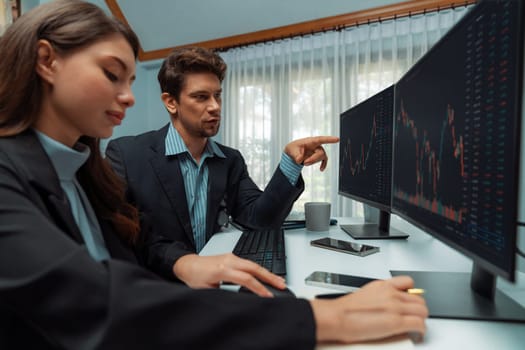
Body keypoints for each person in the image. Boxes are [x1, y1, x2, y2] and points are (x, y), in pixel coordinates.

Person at [0, 1, 428, 348]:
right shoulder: (120, 154)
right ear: (46, 61)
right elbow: (97, 291)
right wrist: (319, 317)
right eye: (112, 75)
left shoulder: (81, 166)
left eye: (218, 97)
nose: (128, 97)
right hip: (142, 308)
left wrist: (289, 164)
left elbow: (250, 218)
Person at [105, 46, 339, 295]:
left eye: (217, 95)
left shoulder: (229, 160)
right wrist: (188, 265)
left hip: (215, 290)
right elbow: (123, 236)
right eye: (201, 97)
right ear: (171, 102)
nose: (215, 106)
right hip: (154, 291)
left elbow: (260, 220)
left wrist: (291, 163)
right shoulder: (127, 154)